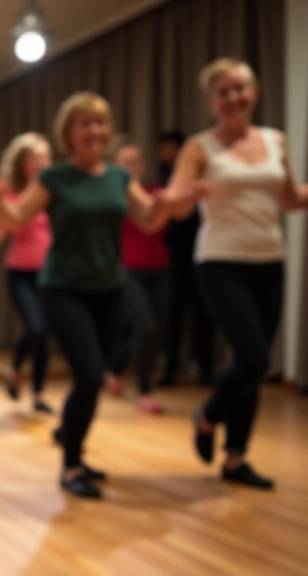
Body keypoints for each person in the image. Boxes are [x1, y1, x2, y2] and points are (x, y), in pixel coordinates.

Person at [0, 92, 198, 499]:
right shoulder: (53, 178)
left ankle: (75, 452)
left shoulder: (120, 178)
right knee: (88, 374)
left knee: (93, 381)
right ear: (68, 133)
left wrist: (172, 204)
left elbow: (148, 220)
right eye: (84, 124)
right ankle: (70, 465)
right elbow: (18, 218)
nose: (94, 131)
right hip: (63, 289)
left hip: (110, 289)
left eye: (100, 123)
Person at [166, 59, 308, 489]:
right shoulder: (200, 147)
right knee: (254, 358)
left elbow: (288, 199)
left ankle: (235, 458)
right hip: (221, 262)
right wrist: (187, 194)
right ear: (212, 102)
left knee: (252, 367)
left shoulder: (274, 141)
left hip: (271, 261)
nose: (233, 98)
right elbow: (175, 204)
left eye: (240, 89)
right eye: (223, 92)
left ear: (255, 93)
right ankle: (207, 415)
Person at [0, 133, 54, 414]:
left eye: (44, 156)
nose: (40, 163)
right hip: (20, 272)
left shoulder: (51, 190)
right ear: (20, 162)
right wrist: (0, 206)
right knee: (35, 327)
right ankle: (13, 369)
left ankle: (38, 394)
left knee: (44, 334)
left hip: (50, 273)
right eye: (34, 157)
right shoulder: (9, 192)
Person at [104, 141, 170, 414]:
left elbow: (171, 214)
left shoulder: (156, 192)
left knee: (151, 331)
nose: (132, 166)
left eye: (136, 160)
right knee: (146, 327)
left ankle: (111, 369)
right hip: (127, 269)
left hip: (162, 267)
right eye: (125, 161)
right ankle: (145, 391)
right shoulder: (110, 197)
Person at [158, 130, 216, 387]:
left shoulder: (201, 176)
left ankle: (205, 367)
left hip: (203, 254)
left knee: (206, 315)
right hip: (178, 258)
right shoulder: (165, 179)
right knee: (174, 315)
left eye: (169, 147)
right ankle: (170, 367)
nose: (164, 152)